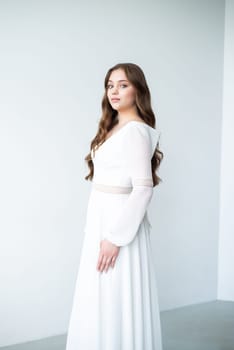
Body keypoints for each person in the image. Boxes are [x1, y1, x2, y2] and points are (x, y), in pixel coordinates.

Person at [65, 63, 164, 350]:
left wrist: (115, 238)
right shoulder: (112, 127)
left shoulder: (135, 131)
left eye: (123, 85)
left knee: (115, 292)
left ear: (138, 90)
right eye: (110, 85)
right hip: (101, 219)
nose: (114, 91)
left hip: (119, 225)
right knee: (100, 294)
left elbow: (143, 189)